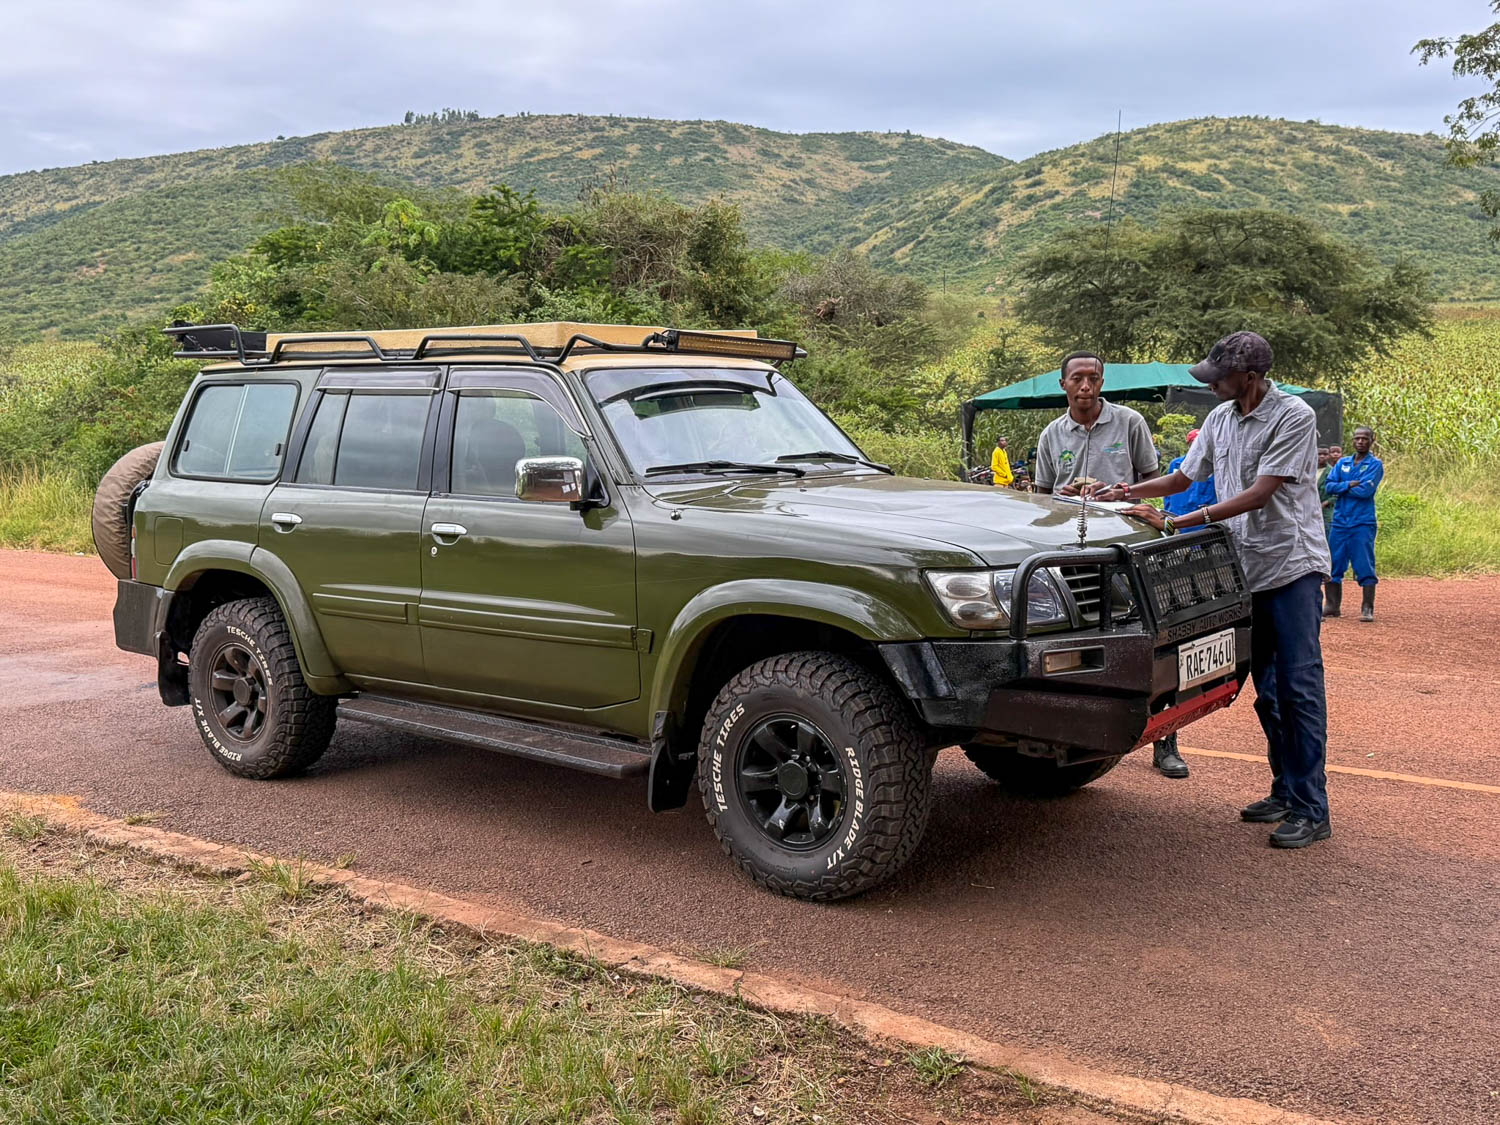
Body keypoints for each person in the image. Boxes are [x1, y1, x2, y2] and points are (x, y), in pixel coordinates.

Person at [1089, 331, 1333, 848]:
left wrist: (1180, 523)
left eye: (1219, 376)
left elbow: (1261, 494)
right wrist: (1125, 491)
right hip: (1246, 568)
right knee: (1267, 693)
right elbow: (1181, 477)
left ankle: (1313, 806)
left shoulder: (1293, 417)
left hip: (1291, 566)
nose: (1212, 385)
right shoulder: (1220, 420)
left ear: (1249, 376)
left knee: (1298, 686)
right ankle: (1286, 791)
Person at [1033, 352, 1187, 778]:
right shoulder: (1051, 434)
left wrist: (1121, 493)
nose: (1086, 386)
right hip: (1075, 553)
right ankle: (1078, 733)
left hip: (1126, 549)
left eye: (1093, 378)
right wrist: (1063, 493)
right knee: (1086, 641)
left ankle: (1166, 740)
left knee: (1150, 637)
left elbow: (1150, 484)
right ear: (1063, 384)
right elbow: (1043, 499)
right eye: (1078, 379)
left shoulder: (1130, 423)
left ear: (1103, 382)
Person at [1324, 427, 1383, 622]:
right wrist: (1349, 485)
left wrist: (1341, 488)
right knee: (1334, 563)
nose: (1360, 442)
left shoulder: (1375, 465)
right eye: (1357, 438)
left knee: (1364, 562)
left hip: (1362, 522)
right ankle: (1332, 606)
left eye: (1364, 438)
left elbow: (1366, 491)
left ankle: (1367, 607)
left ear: (1371, 440)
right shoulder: (1342, 462)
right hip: (1340, 521)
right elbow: (1329, 486)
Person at [1162, 429, 1217, 518]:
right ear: (1188, 445)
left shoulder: (1214, 466)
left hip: (1200, 518)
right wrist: (1168, 510)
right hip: (1175, 514)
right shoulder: (1176, 464)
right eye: (1194, 444)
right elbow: (1168, 491)